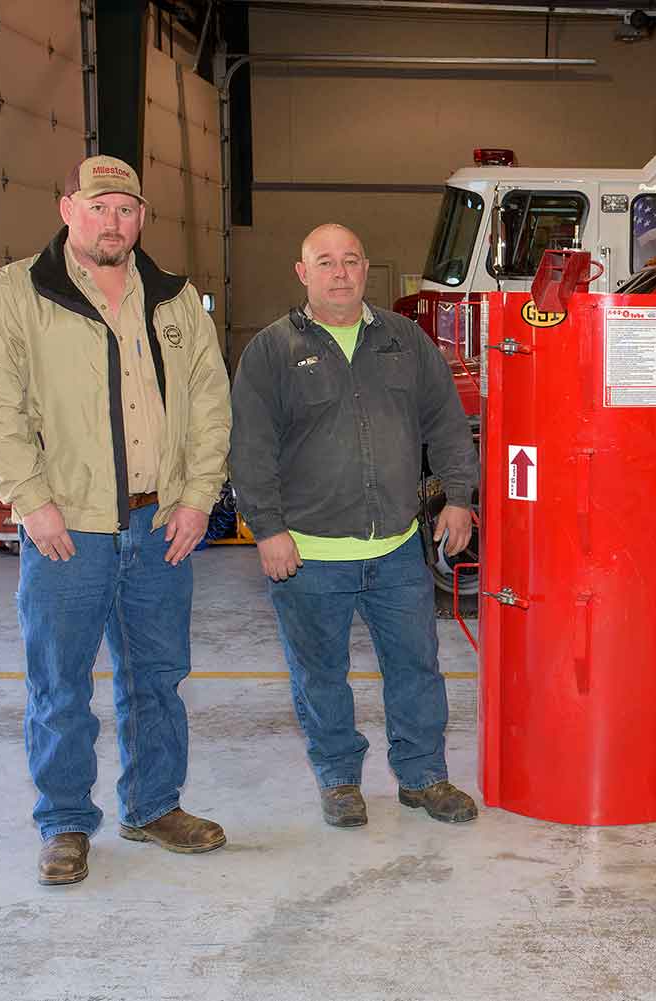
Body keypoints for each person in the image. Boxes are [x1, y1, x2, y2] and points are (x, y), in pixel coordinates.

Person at [0, 155, 233, 886]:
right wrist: (30, 499)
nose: (114, 222)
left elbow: (210, 406)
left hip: (158, 525)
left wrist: (198, 497)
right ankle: (66, 822)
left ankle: (153, 806)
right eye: (99, 206)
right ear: (67, 209)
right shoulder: (16, 294)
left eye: (127, 209)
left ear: (142, 219)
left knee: (158, 678)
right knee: (60, 682)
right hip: (66, 528)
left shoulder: (175, 301)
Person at [229, 223, 479, 829]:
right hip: (308, 553)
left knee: (417, 668)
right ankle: (339, 780)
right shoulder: (271, 350)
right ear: (302, 272)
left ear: (367, 268)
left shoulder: (405, 341)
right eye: (325, 262)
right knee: (321, 676)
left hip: (396, 548)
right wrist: (266, 529)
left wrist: (458, 497)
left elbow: (447, 422)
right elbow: (250, 448)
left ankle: (423, 777)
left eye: (350, 261)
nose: (340, 273)